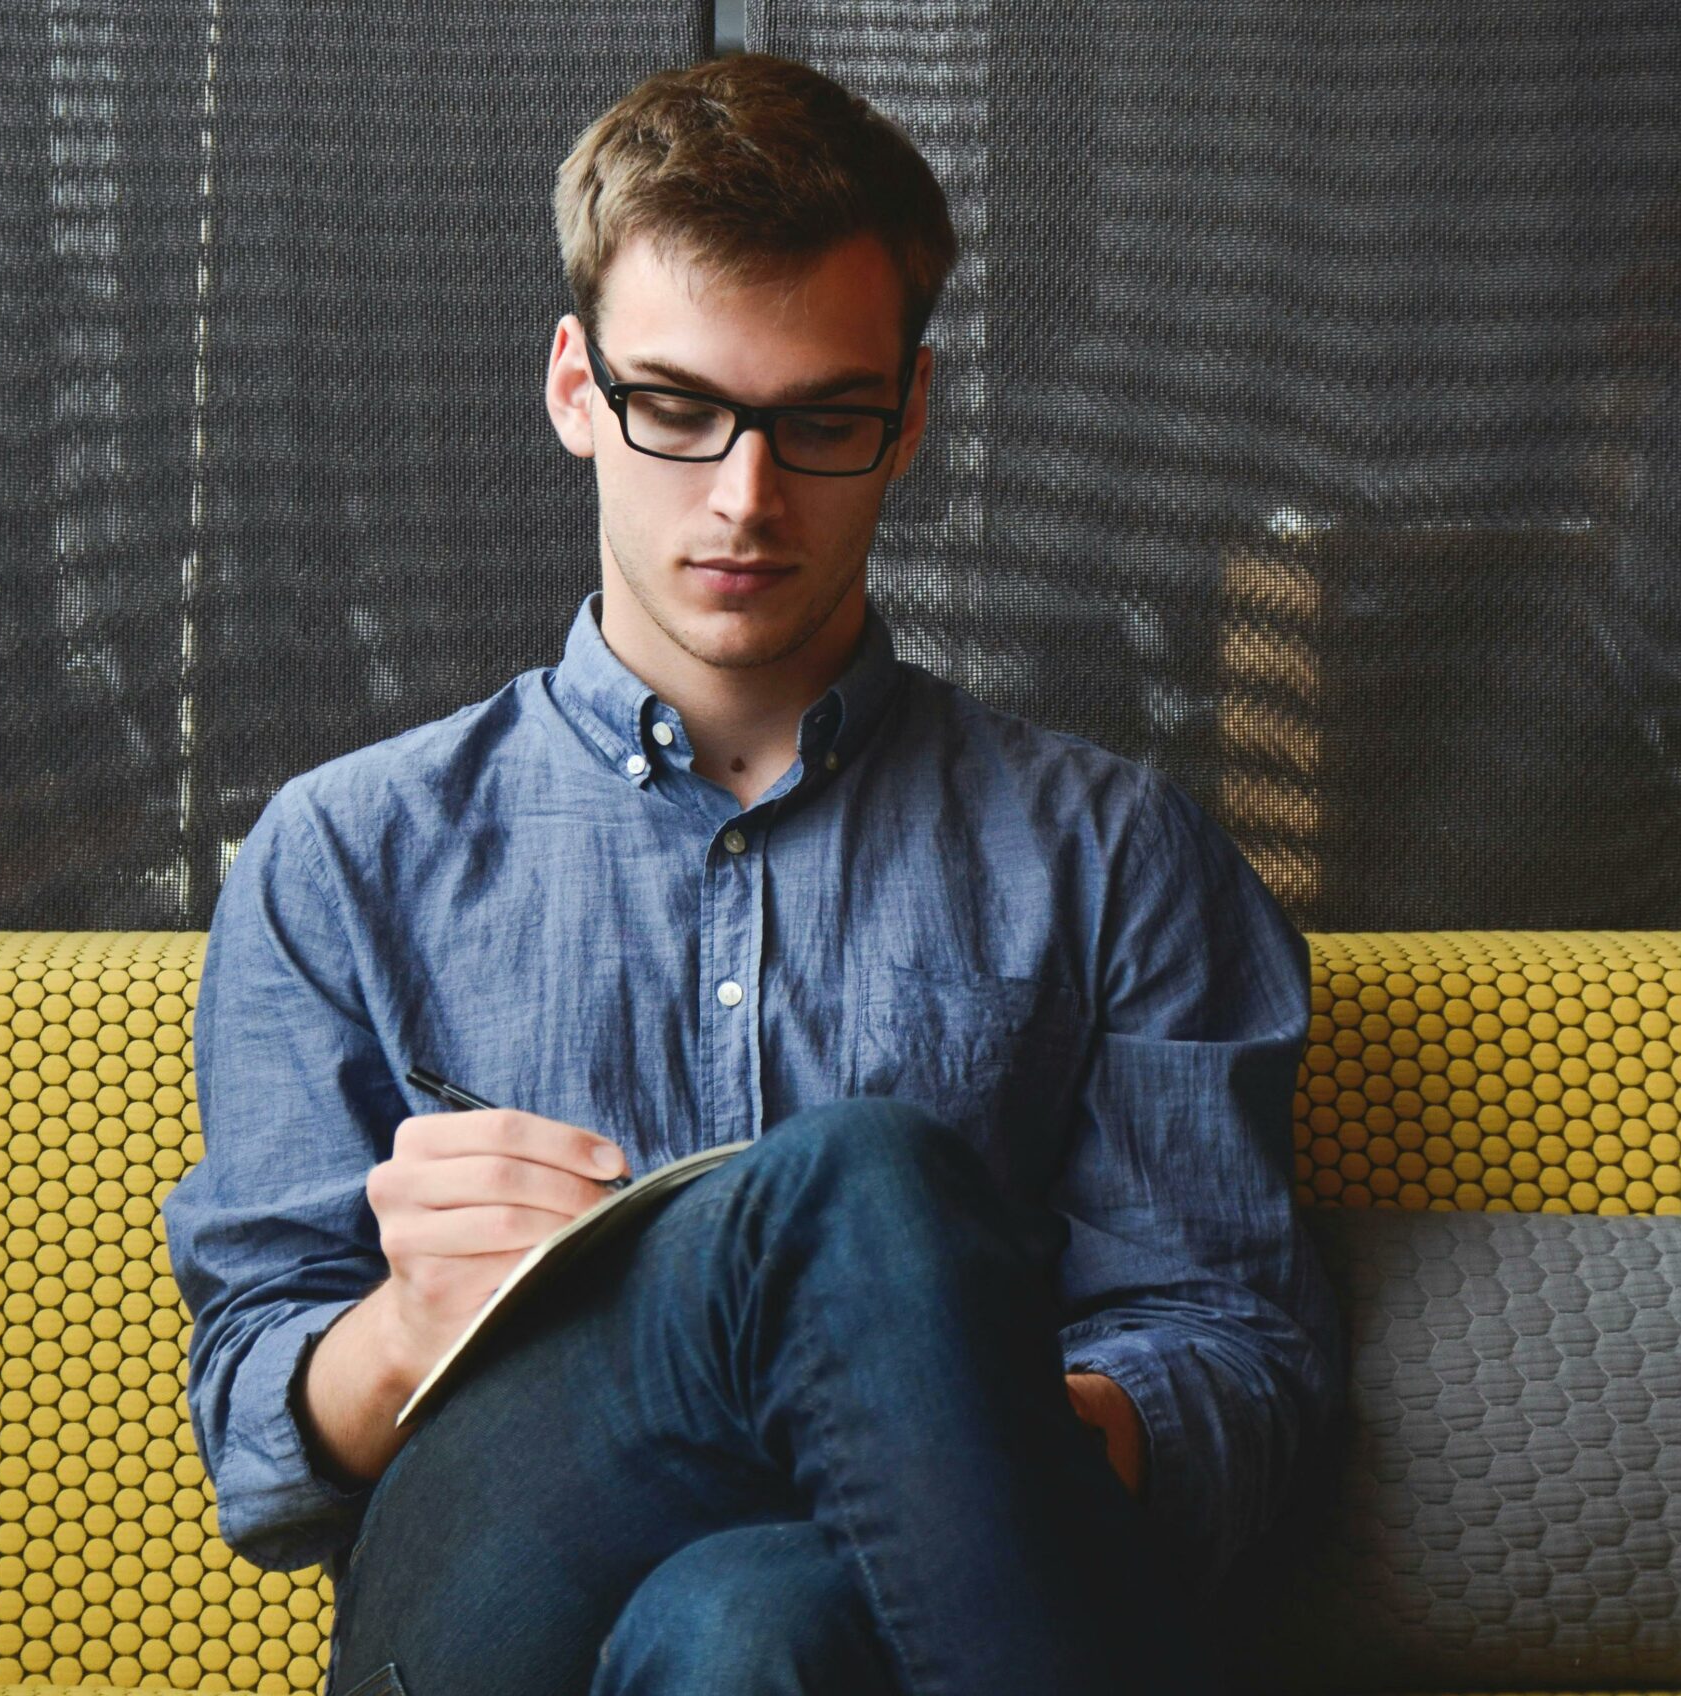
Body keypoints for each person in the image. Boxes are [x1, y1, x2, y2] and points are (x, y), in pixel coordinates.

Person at [163, 51, 1342, 1696]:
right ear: (576, 388)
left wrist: (931, 1409)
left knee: (754, 1627)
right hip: (483, 1611)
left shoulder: (1117, 854)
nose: (744, 495)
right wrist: (403, 1326)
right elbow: (255, 1438)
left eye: (821, 423)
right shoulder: (346, 852)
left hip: (858, 1619)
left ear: (911, 417)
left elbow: (1238, 1374)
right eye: (679, 408)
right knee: (859, 1190)